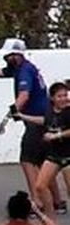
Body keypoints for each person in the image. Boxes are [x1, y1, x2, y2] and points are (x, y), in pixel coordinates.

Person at [0, 39, 63, 213]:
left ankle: (37, 202)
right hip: (43, 119)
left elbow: (24, 95)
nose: (6, 58)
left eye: (8, 55)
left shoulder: (24, 71)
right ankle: (57, 201)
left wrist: (10, 114)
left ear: (16, 55)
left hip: (36, 120)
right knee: (44, 161)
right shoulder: (22, 68)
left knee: (27, 161)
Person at [21, 82, 70, 217]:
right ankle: (50, 219)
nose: (64, 99)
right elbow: (43, 120)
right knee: (40, 186)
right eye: (60, 96)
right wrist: (23, 116)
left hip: (68, 156)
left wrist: (56, 135)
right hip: (54, 155)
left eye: (65, 95)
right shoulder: (49, 111)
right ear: (52, 98)